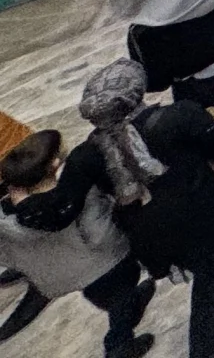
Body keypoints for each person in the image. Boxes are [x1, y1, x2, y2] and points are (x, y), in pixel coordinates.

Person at [31, 64, 214, 358]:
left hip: (150, 239)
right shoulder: (179, 116)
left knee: (209, 268)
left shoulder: (85, 156)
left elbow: (61, 208)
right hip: (210, 220)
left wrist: (20, 200)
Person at [0, 128, 158, 358]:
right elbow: (100, 235)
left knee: (109, 297)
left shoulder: (7, 217)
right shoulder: (75, 196)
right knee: (119, 301)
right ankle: (119, 345)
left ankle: (130, 303)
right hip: (102, 266)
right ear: (54, 164)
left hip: (63, 273)